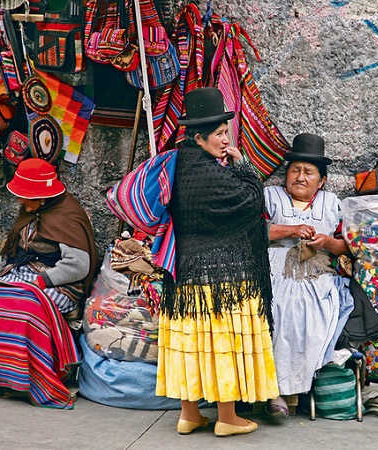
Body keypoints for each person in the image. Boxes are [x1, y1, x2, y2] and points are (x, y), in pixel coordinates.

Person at [155, 87, 279, 436]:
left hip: (184, 276)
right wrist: (242, 164)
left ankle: (189, 415)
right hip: (224, 276)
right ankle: (227, 418)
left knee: (191, 344)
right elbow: (253, 200)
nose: (227, 140)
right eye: (220, 134)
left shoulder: (176, 164)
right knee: (222, 344)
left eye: (227, 133)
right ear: (199, 137)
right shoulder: (212, 173)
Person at [0, 158, 99, 409]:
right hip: (21, 274)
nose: (20, 202)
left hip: (59, 283)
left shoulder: (67, 215)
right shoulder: (30, 211)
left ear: (43, 198)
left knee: (25, 312)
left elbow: (78, 266)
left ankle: (29, 379)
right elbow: (7, 258)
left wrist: (41, 281)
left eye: (26, 197)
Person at [264, 133, 354, 417]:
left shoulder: (332, 203)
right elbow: (256, 230)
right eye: (295, 170)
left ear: (322, 180)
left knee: (314, 315)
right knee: (277, 310)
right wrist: (291, 230)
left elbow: (347, 247)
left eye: (308, 172)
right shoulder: (271, 197)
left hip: (317, 274)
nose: (300, 177)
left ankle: (299, 386)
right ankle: (274, 392)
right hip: (276, 271)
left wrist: (326, 242)